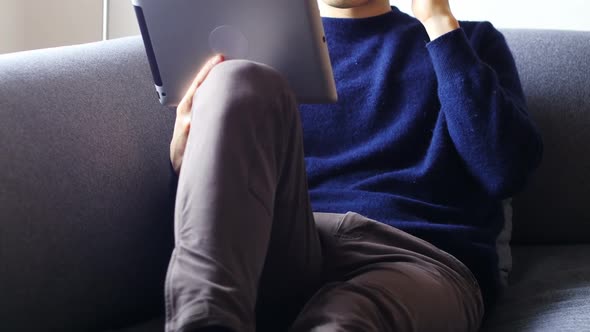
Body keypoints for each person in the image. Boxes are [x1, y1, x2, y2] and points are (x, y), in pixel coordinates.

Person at [165, 0, 542, 331]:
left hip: (416, 260)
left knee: (347, 321)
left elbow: (504, 170)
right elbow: (215, 225)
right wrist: (186, 158)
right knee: (232, 77)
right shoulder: (262, 50)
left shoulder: (468, 43)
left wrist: (438, 18)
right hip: (289, 246)